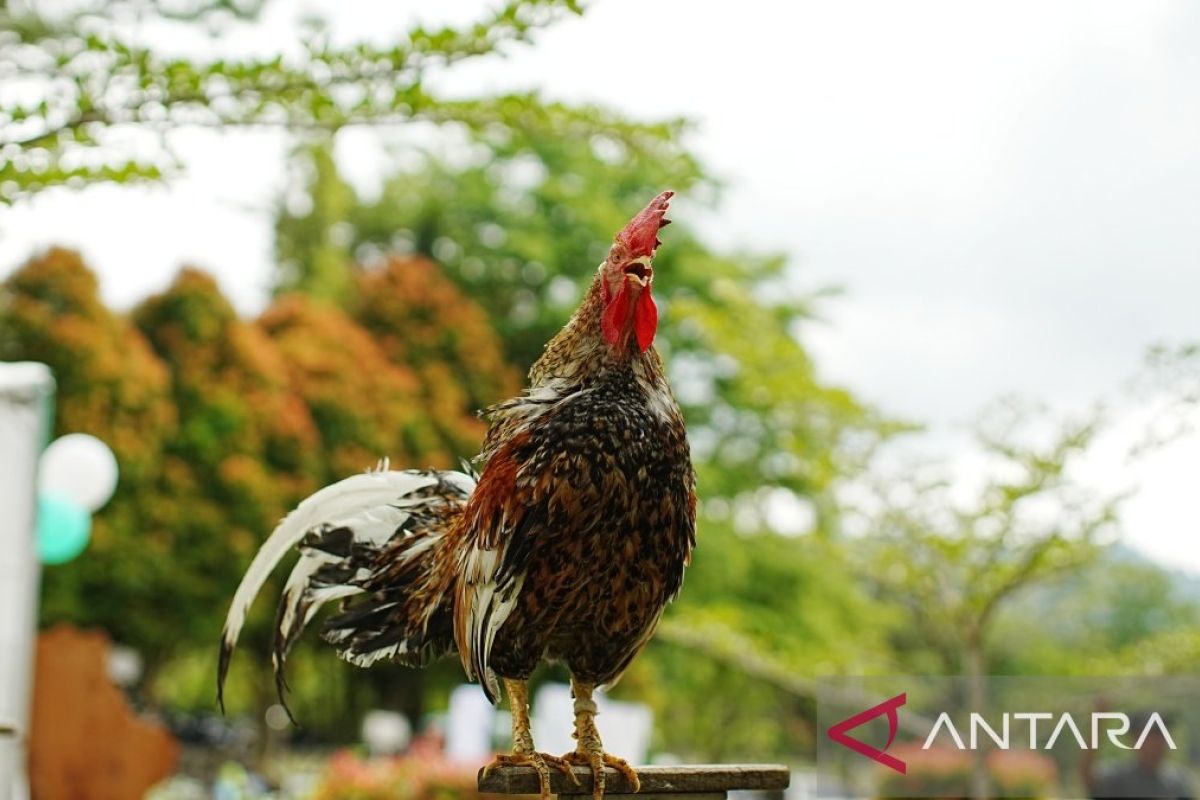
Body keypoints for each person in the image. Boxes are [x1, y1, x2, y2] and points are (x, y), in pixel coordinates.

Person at [1082, 711, 1193, 799]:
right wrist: (1097, 725)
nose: (1161, 741)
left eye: (1165, 734)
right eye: (1155, 734)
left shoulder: (1178, 781)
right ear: (1134, 738)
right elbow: (1088, 779)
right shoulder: (1118, 778)